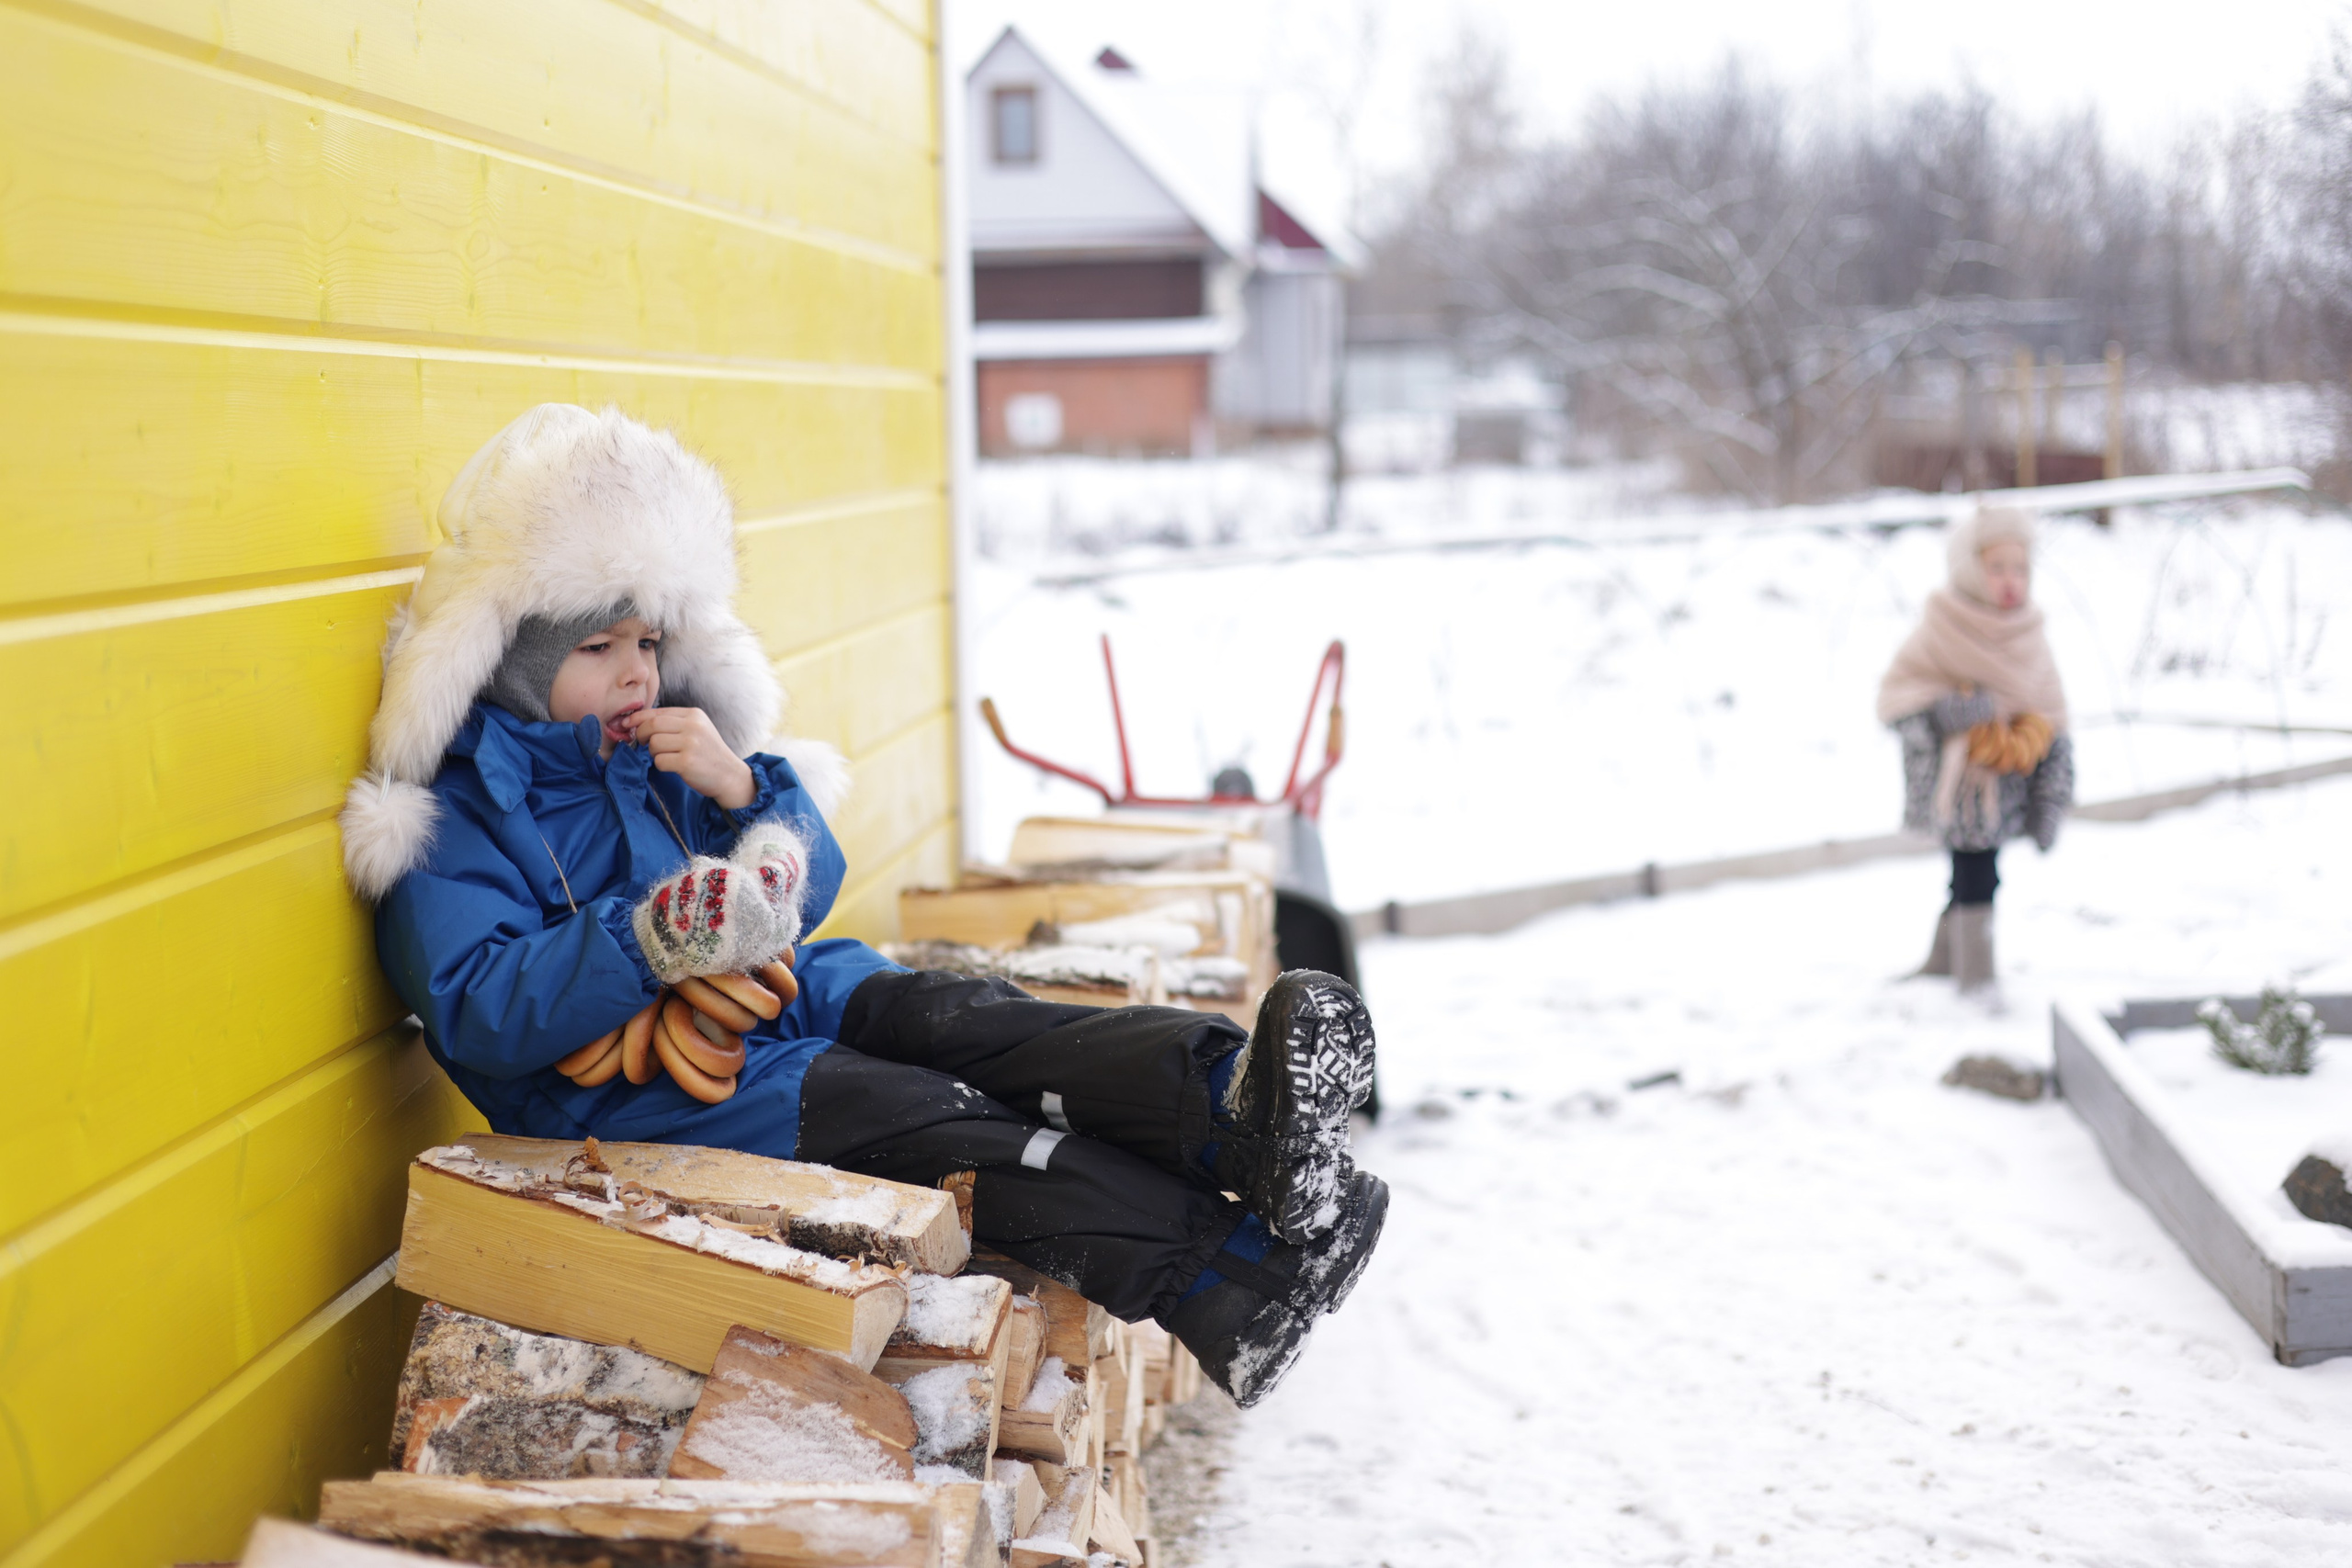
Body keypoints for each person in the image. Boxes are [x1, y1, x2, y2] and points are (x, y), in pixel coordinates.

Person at [338, 404, 1385, 1405]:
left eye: (648, 644)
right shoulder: (454, 818)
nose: (635, 676)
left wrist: (745, 793)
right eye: (597, 649)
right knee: (943, 1124)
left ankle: (1232, 1115)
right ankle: (1231, 1281)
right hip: (637, 1098)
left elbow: (801, 884)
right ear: (518, 661)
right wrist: (653, 936)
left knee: (968, 1021)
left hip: (783, 998)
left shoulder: (664, 754)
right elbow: (480, 1006)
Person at [1876, 504, 2075, 996]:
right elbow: (1900, 696)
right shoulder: (1942, 628)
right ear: (1970, 569)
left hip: (2010, 781)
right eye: (1997, 567)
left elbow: (2053, 713)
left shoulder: (2029, 634)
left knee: (1974, 872)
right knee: (1975, 871)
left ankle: (1946, 959)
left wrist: (2052, 788)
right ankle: (1975, 974)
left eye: (2021, 568)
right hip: (1960, 783)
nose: (2011, 580)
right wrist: (1950, 713)